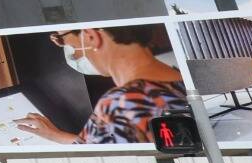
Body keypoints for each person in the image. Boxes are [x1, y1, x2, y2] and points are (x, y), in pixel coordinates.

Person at [14, 25, 190, 144]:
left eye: (60, 39)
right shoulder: (178, 78)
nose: (64, 47)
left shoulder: (120, 103)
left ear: (91, 36)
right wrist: (56, 135)